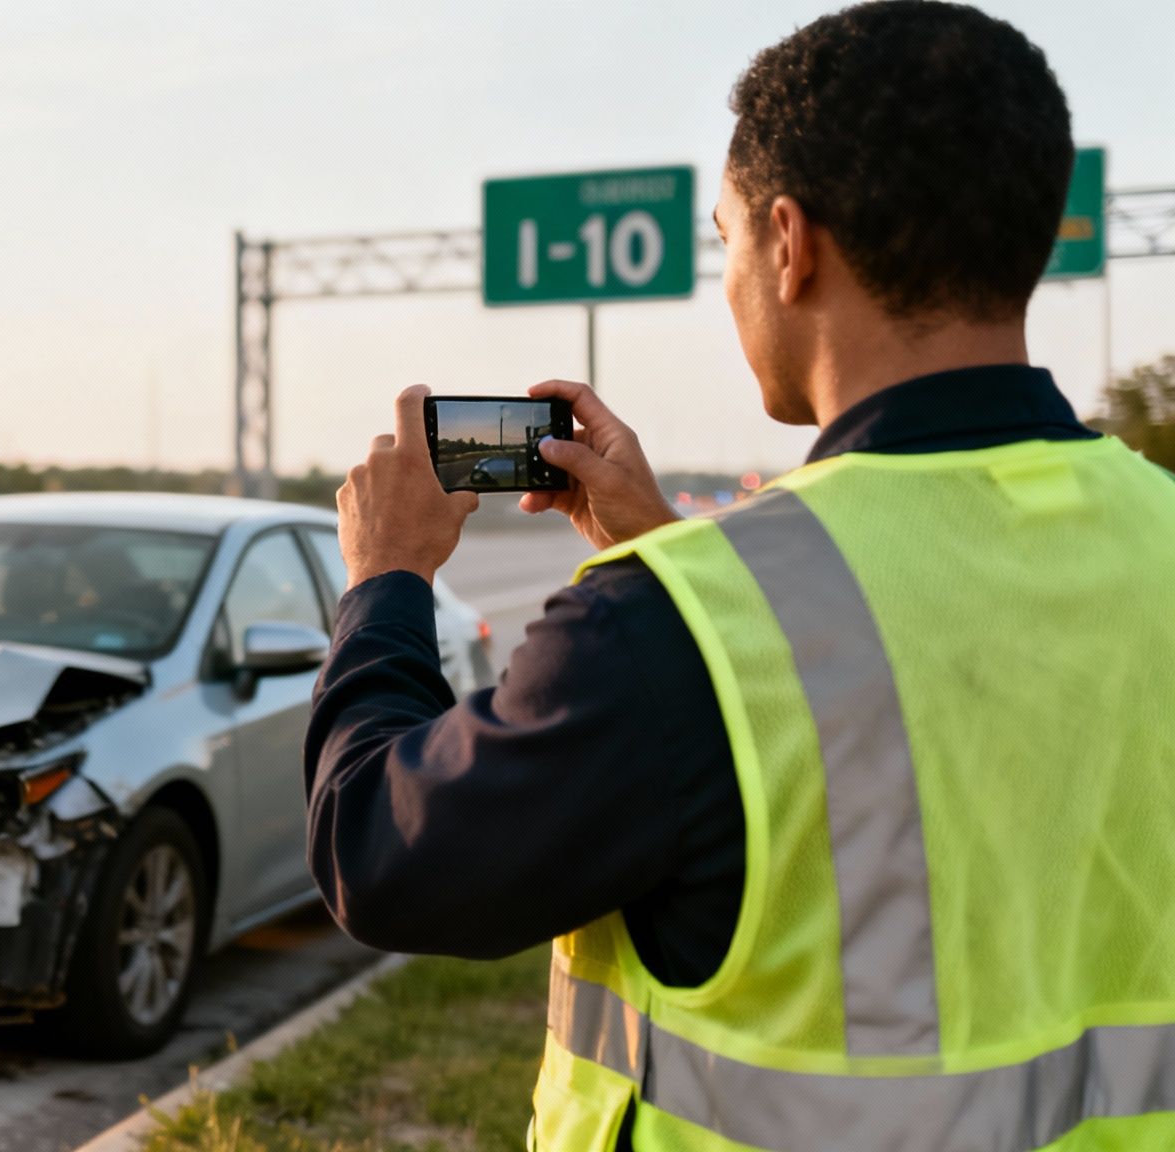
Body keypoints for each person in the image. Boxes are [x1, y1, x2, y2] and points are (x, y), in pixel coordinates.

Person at [306, 3, 1175, 1149]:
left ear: (786, 241)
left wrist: (385, 582)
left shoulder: (668, 629)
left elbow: (385, 856)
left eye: (722, 242)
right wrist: (657, 543)